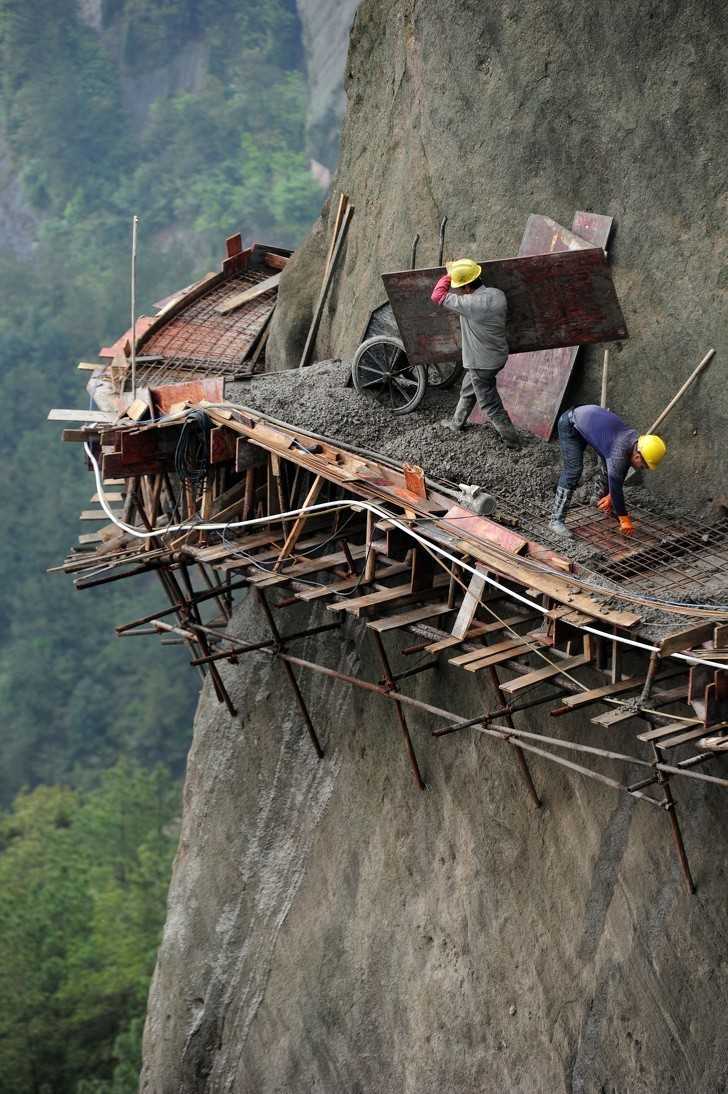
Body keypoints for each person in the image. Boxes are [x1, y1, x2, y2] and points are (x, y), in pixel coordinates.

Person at [431, 258, 520, 448]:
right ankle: (456, 424)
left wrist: (448, 274)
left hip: (482, 363)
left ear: (467, 288)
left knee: (489, 403)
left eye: (461, 287)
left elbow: (437, 295)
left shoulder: (470, 304)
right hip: (496, 356)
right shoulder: (498, 294)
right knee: (468, 387)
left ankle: (512, 441)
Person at [550, 404, 666, 537]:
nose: (643, 469)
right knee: (574, 470)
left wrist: (611, 496)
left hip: (587, 420)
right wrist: (624, 519)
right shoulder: (620, 451)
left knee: (610, 465)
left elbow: (620, 470)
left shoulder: (634, 441)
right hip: (570, 424)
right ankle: (556, 521)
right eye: (644, 466)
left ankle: (598, 499)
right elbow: (616, 484)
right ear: (638, 456)